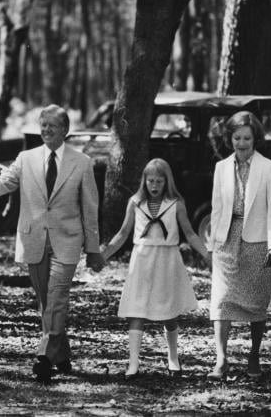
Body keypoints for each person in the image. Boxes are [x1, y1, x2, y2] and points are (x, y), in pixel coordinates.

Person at [0, 104, 104, 383]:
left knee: (57, 297)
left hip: (67, 241)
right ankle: (61, 353)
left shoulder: (82, 162)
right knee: (46, 301)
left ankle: (44, 357)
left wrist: (93, 249)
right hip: (33, 239)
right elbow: (1, 187)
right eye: (43, 125)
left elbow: (90, 208)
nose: (46, 130)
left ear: (65, 131)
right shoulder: (26, 158)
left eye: (52, 126)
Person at [101, 158, 210, 379]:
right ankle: (133, 363)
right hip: (141, 260)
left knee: (168, 312)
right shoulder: (135, 202)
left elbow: (189, 233)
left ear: (167, 182)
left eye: (159, 181)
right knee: (136, 309)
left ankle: (173, 358)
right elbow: (122, 234)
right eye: (150, 180)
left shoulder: (176, 203)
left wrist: (207, 254)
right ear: (144, 181)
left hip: (167, 260)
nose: (154, 185)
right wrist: (103, 256)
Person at [207, 111, 271, 380]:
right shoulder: (221, 168)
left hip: (258, 241)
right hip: (227, 239)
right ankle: (221, 358)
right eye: (237, 137)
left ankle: (254, 355)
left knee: (256, 303)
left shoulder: (268, 167)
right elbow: (217, 209)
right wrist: (212, 244)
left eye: (247, 138)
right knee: (221, 300)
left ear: (255, 139)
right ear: (230, 138)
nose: (242, 143)